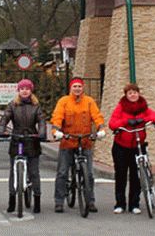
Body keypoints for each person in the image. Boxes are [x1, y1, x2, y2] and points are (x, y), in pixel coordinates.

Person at [50, 77, 105, 213]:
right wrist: (56, 130)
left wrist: (101, 128)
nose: (77, 89)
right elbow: (57, 117)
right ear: (71, 88)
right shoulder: (64, 101)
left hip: (85, 141)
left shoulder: (89, 101)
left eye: (79, 86)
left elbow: (97, 116)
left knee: (89, 174)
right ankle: (59, 201)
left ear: (83, 88)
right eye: (75, 86)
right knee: (62, 172)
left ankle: (90, 201)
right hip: (68, 140)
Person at [107, 83, 155, 214]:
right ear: (126, 95)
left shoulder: (143, 107)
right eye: (130, 93)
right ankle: (120, 203)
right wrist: (126, 122)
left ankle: (134, 204)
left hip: (138, 146)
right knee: (121, 175)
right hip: (121, 146)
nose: (133, 95)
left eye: (135, 92)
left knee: (136, 175)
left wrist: (142, 119)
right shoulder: (121, 107)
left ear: (139, 93)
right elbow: (112, 123)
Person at [0, 78, 46, 214]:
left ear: (31, 91)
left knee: (34, 172)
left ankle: (37, 200)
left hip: (32, 140)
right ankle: (12, 200)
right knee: (13, 171)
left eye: (27, 89)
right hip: (17, 139)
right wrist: (1, 130)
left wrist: (42, 133)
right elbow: (5, 118)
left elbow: (41, 121)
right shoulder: (12, 105)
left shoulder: (36, 106)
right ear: (18, 91)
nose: (25, 91)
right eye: (22, 88)